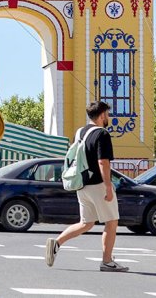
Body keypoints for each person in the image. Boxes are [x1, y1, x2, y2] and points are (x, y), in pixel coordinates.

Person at [45, 100, 128, 272]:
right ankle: (107, 261)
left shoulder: (80, 132)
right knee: (112, 221)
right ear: (103, 114)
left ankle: (57, 242)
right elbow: (103, 162)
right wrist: (108, 187)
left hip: (82, 184)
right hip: (98, 184)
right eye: (108, 114)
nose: (109, 117)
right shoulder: (102, 134)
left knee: (86, 223)